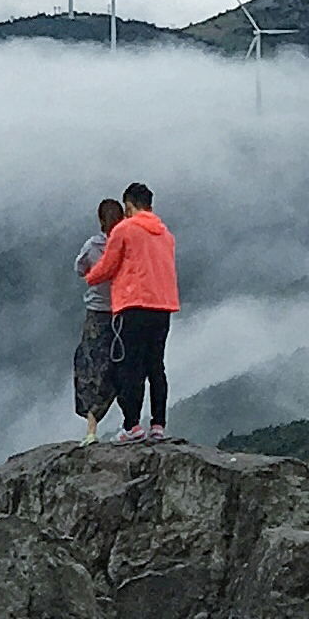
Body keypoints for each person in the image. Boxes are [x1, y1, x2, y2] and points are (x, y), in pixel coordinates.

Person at [84, 180, 179, 441]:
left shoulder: (125, 230)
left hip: (134, 305)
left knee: (130, 366)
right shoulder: (166, 234)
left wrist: (90, 277)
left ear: (129, 206)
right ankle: (158, 425)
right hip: (164, 305)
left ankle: (132, 427)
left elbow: (108, 265)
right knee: (155, 366)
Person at [71, 197, 125, 442]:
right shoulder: (127, 244)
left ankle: (91, 430)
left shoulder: (92, 246)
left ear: (100, 220)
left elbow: (80, 269)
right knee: (123, 368)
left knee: (91, 369)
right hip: (124, 312)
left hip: (97, 313)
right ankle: (131, 424)